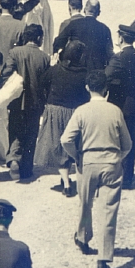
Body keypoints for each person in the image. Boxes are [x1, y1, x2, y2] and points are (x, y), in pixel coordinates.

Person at [62, 69, 133, 268]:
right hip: (111, 162)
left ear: (87, 88)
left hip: (88, 161)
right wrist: (118, 157)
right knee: (109, 210)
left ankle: (83, 238)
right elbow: (127, 143)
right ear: (106, 89)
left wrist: (77, 156)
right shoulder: (115, 111)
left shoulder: (81, 111)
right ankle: (103, 258)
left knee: (85, 203)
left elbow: (66, 139)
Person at [35, 39, 91, 196]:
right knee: (75, 146)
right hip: (76, 113)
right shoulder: (84, 73)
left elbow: (41, 82)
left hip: (55, 111)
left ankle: (66, 183)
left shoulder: (56, 70)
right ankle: (78, 180)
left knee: (58, 146)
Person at [1, 24, 51, 182]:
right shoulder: (44, 57)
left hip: (16, 100)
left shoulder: (15, 52)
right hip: (35, 102)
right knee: (31, 134)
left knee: (15, 129)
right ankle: (26, 169)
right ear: (38, 38)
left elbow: (6, 73)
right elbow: (46, 82)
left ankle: (14, 157)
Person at [104, 39, 135, 187]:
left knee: (115, 140)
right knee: (130, 140)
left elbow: (107, 76)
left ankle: (114, 176)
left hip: (118, 105)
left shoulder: (119, 57)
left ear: (120, 39)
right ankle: (127, 178)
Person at [54, 0, 113, 73]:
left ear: (84, 10)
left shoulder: (74, 24)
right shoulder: (105, 29)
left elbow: (58, 42)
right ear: (98, 13)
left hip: (76, 70)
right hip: (96, 73)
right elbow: (109, 52)